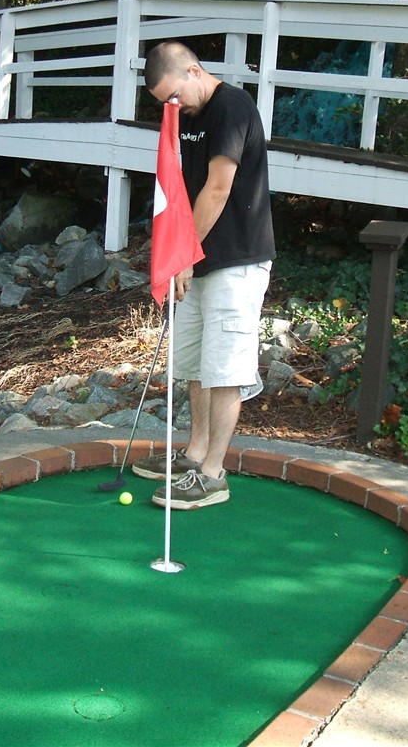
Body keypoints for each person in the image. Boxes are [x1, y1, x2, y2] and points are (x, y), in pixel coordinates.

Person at [132, 41, 275, 510]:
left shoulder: (232, 107)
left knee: (225, 370)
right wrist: (182, 256)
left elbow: (217, 188)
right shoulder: (186, 114)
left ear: (194, 71)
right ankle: (194, 454)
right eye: (164, 102)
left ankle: (213, 474)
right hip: (196, 260)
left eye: (174, 95)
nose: (172, 107)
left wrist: (183, 256)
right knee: (194, 365)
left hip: (236, 259)